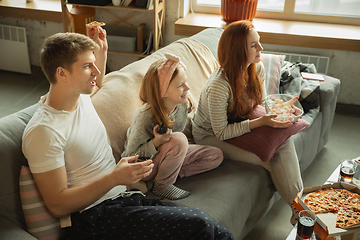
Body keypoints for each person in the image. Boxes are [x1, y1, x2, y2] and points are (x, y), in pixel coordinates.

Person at [22, 27, 233, 240]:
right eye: (87, 66)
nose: (95, 71)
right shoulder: (44, 131)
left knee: (217, 231)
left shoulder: (79, 96)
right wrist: (114, 178)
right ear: (62, 73)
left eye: (93, 63)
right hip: (95, 217)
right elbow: (58, 204)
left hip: (125, 198)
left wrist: (101, 51)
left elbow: (98, 82)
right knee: (200, 225)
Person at [191, 20, 304, 225]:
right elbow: (222, 132)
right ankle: (300, 211)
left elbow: (257, 103)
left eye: (259, 42)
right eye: (254, 45)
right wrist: (261, 123)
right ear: (238, 52)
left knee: (283, 140)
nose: (261, 48)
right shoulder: (219, 86)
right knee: (269, 159)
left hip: (240, 120)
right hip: (209, 135)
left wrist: (282, 108)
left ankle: (301, 208)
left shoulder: (255, 68)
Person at [121, 54, 224, 200]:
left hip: (170, 155)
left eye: (186, 83)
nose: (188, 88)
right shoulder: (144, 117)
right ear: (162, 91)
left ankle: (166, 176)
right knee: (180, 139)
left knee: (215, 156)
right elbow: (128, 156)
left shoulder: (182, 106)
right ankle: (162, 185)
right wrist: (156, 142)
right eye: (181, 85)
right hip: (146, 164)